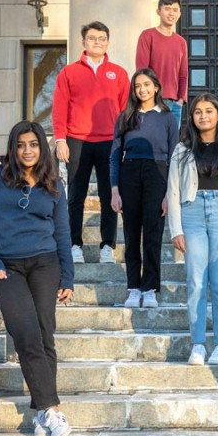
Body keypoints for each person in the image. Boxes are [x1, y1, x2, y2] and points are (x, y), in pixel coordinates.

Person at [0, 120, 75, 436]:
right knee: (26, 333)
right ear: (13, 148)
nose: (27, 151)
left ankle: (42, 414)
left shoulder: (53, 182)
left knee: (44, 334)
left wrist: (68, 277)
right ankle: (52, 409)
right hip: (6, 267)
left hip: (45, 263)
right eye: (20, 145)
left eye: (33, 144)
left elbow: (62, 233)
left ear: (41, 147)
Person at [167, 93, 218, 366]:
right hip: (191, 214)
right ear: (192, 117)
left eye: (209, 111)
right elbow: (173, 190)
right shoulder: (182, 149)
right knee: (196, 282)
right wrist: (176, 229)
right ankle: (198, 344)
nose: (203, 116)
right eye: (198, 112)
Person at [53, 21, 130, 265]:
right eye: (92, 38)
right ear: (83, 42)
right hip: (77, 140)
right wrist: (60, 139)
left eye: (102, 38)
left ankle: (107, 246)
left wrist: (125, 142)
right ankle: (74, 244)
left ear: (108, 42)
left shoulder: (119, 73)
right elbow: (59, 107)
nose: (97, 42)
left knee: (110, 195)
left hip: (110, 142)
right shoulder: (69, 72)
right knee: (76, 195)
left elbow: (126, 111)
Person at [110, 68, 179, 309]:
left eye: (147, 84)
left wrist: (169, 193)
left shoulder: (168, 118)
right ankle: (133, 287)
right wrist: (115, 189)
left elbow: (175, 157)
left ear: (156, 87)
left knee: (153, 233)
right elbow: (115, 155)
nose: (142, 90)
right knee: (131, 235)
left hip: (157, 173)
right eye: (138, 86)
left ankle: (149, 288)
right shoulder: (125, 117)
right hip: (129, 173)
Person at [135, 0, 189, 125]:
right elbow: (142, 71)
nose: (171, 13)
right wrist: (149, 98)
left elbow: (183, 74)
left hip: (175, 104)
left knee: (172, 138)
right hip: (153, 101)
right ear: (158, 11)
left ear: (180, 14)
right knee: (152, 137)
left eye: (175, 10)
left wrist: (181, 99)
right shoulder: (147, 36)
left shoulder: (181, 42)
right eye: (167, 9)